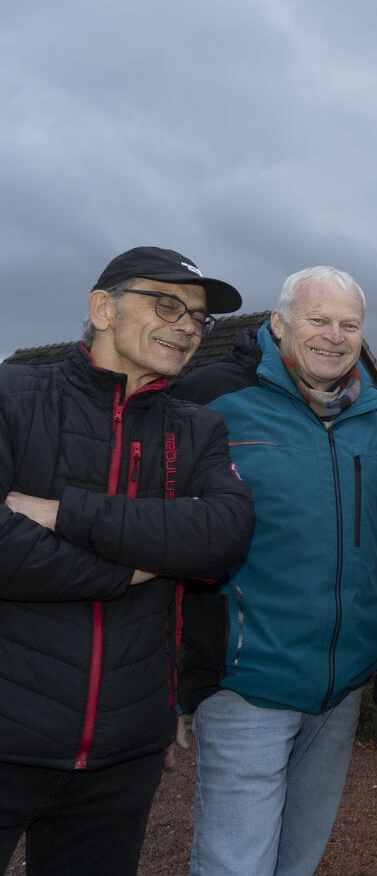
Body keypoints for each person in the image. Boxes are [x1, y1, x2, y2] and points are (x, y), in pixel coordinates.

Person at [0, 245, 253, 876]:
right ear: (102, 309)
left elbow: (223, 536)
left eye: (198, 317)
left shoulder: (198, 429)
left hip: (123, 753)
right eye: (166, 304)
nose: (187, 326)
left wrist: (63, 512)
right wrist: (149, 559)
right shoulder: (11, 396)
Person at [171, 266, 377, 876]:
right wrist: (168, 674)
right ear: (278, 324)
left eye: (349, 324)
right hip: (249, 677)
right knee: (236, 864)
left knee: (298, 860)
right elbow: (161, 533)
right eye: (318, 319)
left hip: (342, 686)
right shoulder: (209, 401)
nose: (335, 336)